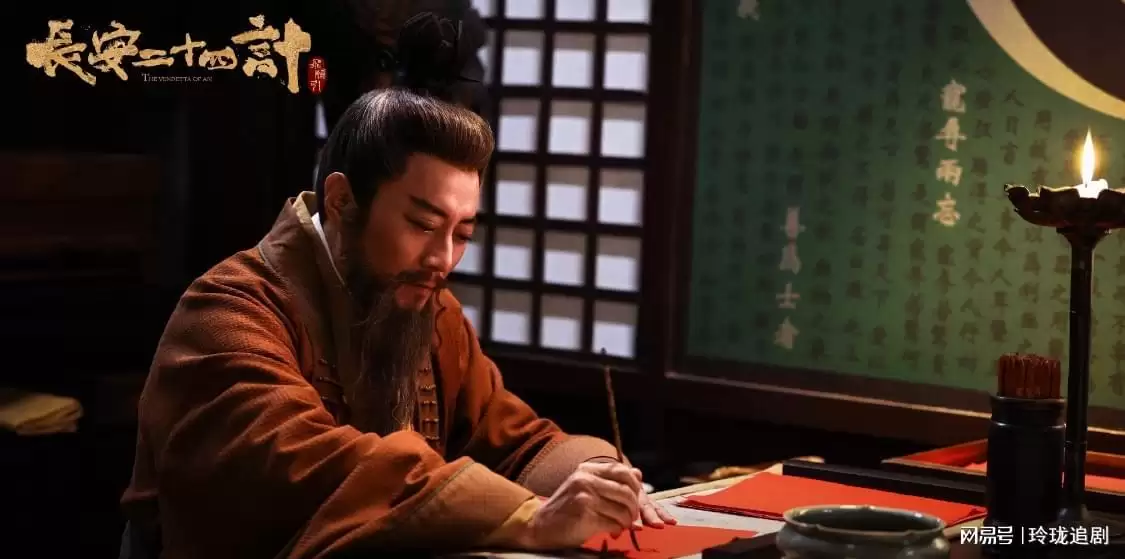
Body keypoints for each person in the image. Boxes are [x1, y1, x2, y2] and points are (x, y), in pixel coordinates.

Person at [118, 20, 675, 557]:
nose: (443, 259)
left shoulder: (431, 312)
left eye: (462, 233)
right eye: (422, 224)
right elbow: (310, 468)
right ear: (342, 202)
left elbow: (517, 442)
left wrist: (596, 477)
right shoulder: (228, 314)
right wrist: (531, 518)